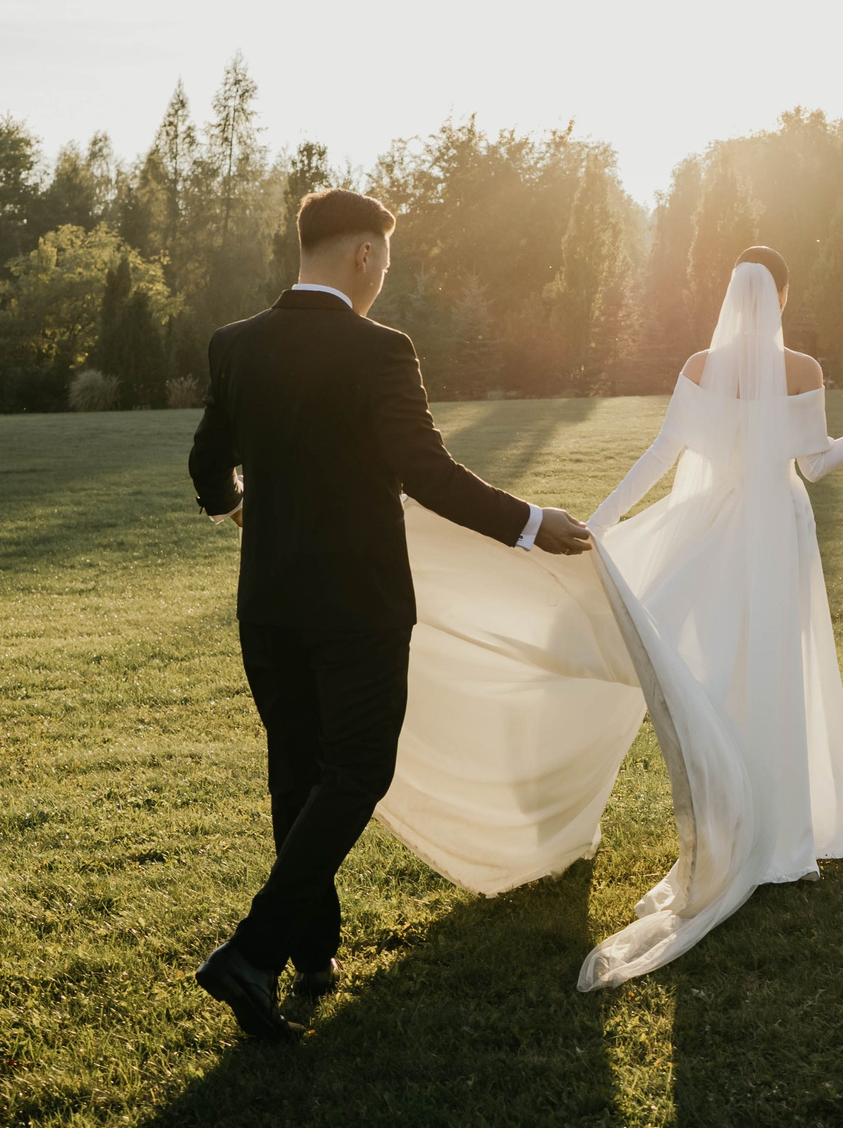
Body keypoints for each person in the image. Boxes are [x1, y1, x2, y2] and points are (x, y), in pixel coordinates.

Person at [374, 245, 843, 988]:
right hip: (779, 530)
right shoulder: (804, 370)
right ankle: (787, 834)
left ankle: (735, 824)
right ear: (781, 296)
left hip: (716, 530)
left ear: (732, 295)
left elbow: (663, 452)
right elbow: (814, 467)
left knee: (716, 675)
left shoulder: (699, 365)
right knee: (778, 670)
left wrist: (597, 523)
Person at [185, 186, 592, 1040]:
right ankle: (253, 952)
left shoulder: (235, 345)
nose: (383, 279)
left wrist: (237, 512)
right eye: (388, 262)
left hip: (266, 604)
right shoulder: (381, 350)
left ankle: (311, 950)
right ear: (365, 255)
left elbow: (207, 462)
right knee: (358, 770)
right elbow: (426, 469)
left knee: (296, 771)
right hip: (358, 604)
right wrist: (531, 523)